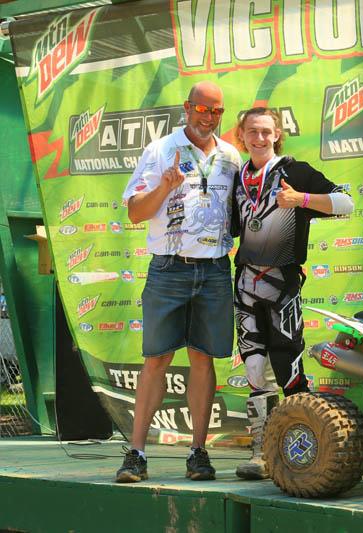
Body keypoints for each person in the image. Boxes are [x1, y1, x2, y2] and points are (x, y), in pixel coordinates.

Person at [116, 81, 241, 483]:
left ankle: (198, 453)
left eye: (217, 111)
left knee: (203, 359)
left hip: (215, 269)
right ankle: (136, 454)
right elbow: (136, 212)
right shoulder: (160, 150)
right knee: (157, 360)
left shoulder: (231, 156)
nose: (209, 117)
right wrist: (165, 186)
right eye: (203, 109)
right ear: (187, 108)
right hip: (169, 268)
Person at [231, 107, 353, 479]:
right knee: (254, 369)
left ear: (277, 135)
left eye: (266, 131)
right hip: (245, 285)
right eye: (252, 131)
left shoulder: (294, 171)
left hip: (282, 285)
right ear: (242, 135)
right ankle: (262, 453)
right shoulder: (238, 178)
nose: (259, 138)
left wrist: (301, 200)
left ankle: (308, 451)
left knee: (289, 369)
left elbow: (346, 203)